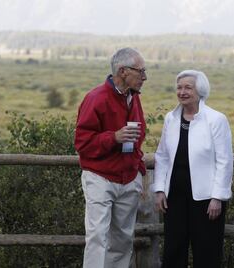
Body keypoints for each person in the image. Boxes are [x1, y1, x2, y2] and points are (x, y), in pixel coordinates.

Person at [74, 47, 147, 268]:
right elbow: (82, 144)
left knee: (123, 240)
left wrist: (138, 169)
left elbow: (139, 134)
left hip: (127, 178)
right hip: (100, 178)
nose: (145, 77)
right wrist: (113, 137)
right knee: (97, 237)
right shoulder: (95, 98)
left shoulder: (133, 98)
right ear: (123, 71)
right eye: (140, 71)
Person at [153, 70, 233, 268]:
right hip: (174, 196)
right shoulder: (170, 119)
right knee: (173, 249)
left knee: (207, 251)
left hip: (206, 199)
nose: (182, 92)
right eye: (179, 87)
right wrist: (160, 189)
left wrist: (218, 197)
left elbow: (224, 161)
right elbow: (162, 156)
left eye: (188, 87)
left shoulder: (216, 119)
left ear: (200, 91)